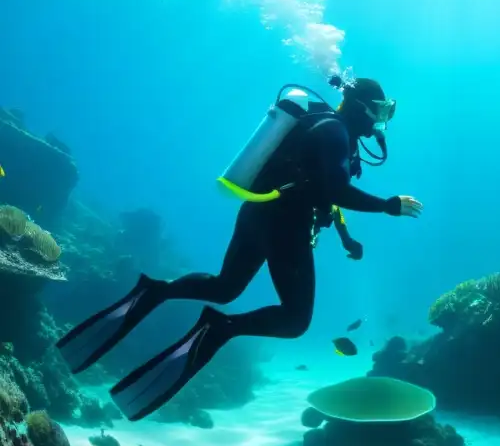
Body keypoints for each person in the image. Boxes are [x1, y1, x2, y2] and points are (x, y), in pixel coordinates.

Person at [56, 77, 422, 421]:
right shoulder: (336, 132)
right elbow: (336, 190)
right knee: (295, 320)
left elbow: (323, 191)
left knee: (224, 286)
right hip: (285, 224)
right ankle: (220, 328)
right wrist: (388, 205)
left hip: (257, 212)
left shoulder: (324, 125)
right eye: (381, 110)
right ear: (362, 107)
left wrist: (345, 237)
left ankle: (156, 291)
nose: (382, 121)